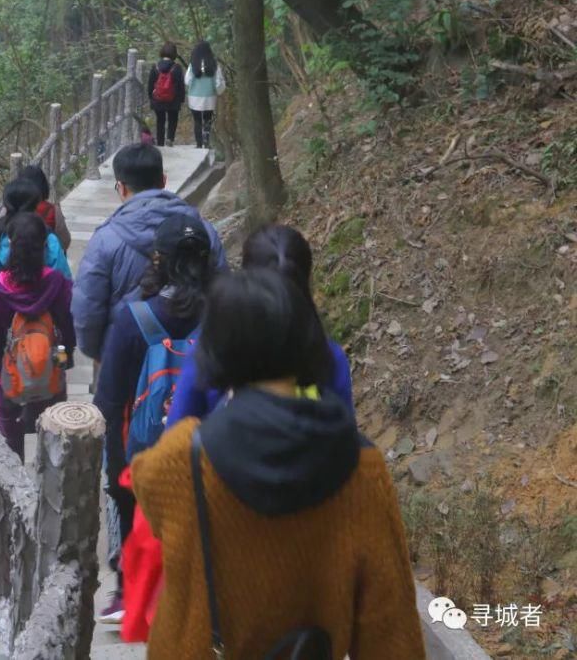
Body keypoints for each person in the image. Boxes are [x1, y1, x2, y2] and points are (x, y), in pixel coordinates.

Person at [131, 268, 425, 658]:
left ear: (216, 350)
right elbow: (391, 630)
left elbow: (144, 483)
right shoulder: (363, 467)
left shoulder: (181, 460)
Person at [93, 214, 214, 624]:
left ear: (158, 260)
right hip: (211, 448)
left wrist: (115, 468)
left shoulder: (134, 318)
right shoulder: (227, 316)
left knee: (125, 498)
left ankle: (130, 589)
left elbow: (109, 401)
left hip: (144, 450)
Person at [167, 224, 354, 427]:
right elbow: (348, 442)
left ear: (245, 278)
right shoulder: (329, 357)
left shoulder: (210, 349)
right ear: (307, 279)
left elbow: (175, 432)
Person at [71, 142, 226, 364]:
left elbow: (87, 306)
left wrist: (99, 351)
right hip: (194, 359)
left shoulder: (105, 239)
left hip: (124, 357)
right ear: (163, 180)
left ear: (121, 187)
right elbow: (222, 290)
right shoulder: (202, 231)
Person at [0, 213, 75, 461]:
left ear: (9, 244)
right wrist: (65, 360)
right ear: (45, 245)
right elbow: (67, 328)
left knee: (10, 435)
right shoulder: (58, 284)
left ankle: (15, 487)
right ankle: (51, 487)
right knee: (52, 431)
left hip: (5, 377)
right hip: (49, 372)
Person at [0, 178, 71, 292]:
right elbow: (63, 283)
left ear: (6, 204)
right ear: (35, 205)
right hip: (41, 306)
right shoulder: (48, 239)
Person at [19, 165, 71, 252]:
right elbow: (65, 241)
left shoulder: (10, 208)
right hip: (46, 258)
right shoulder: (53, 210)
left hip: (15, 258)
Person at [184, 41, 225, 149]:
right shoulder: (214, 64)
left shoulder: (193, 64)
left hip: (194, 96)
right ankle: (206, 141)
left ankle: (198, 143)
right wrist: (219, 91)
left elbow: (187, 81)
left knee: (197, 120)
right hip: (209, 96)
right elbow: (219, 82)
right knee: (208, 119)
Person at [146, 42, 186, 147]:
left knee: (160, 120)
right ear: (174, 53)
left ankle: (160, 143)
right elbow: (181, 85)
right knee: (173, 119)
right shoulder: (177, 67)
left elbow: (150, 84)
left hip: (158, 99)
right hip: (173, 99)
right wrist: (181, 99)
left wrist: (151, 97)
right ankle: (170, 139)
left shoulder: (155, 66)